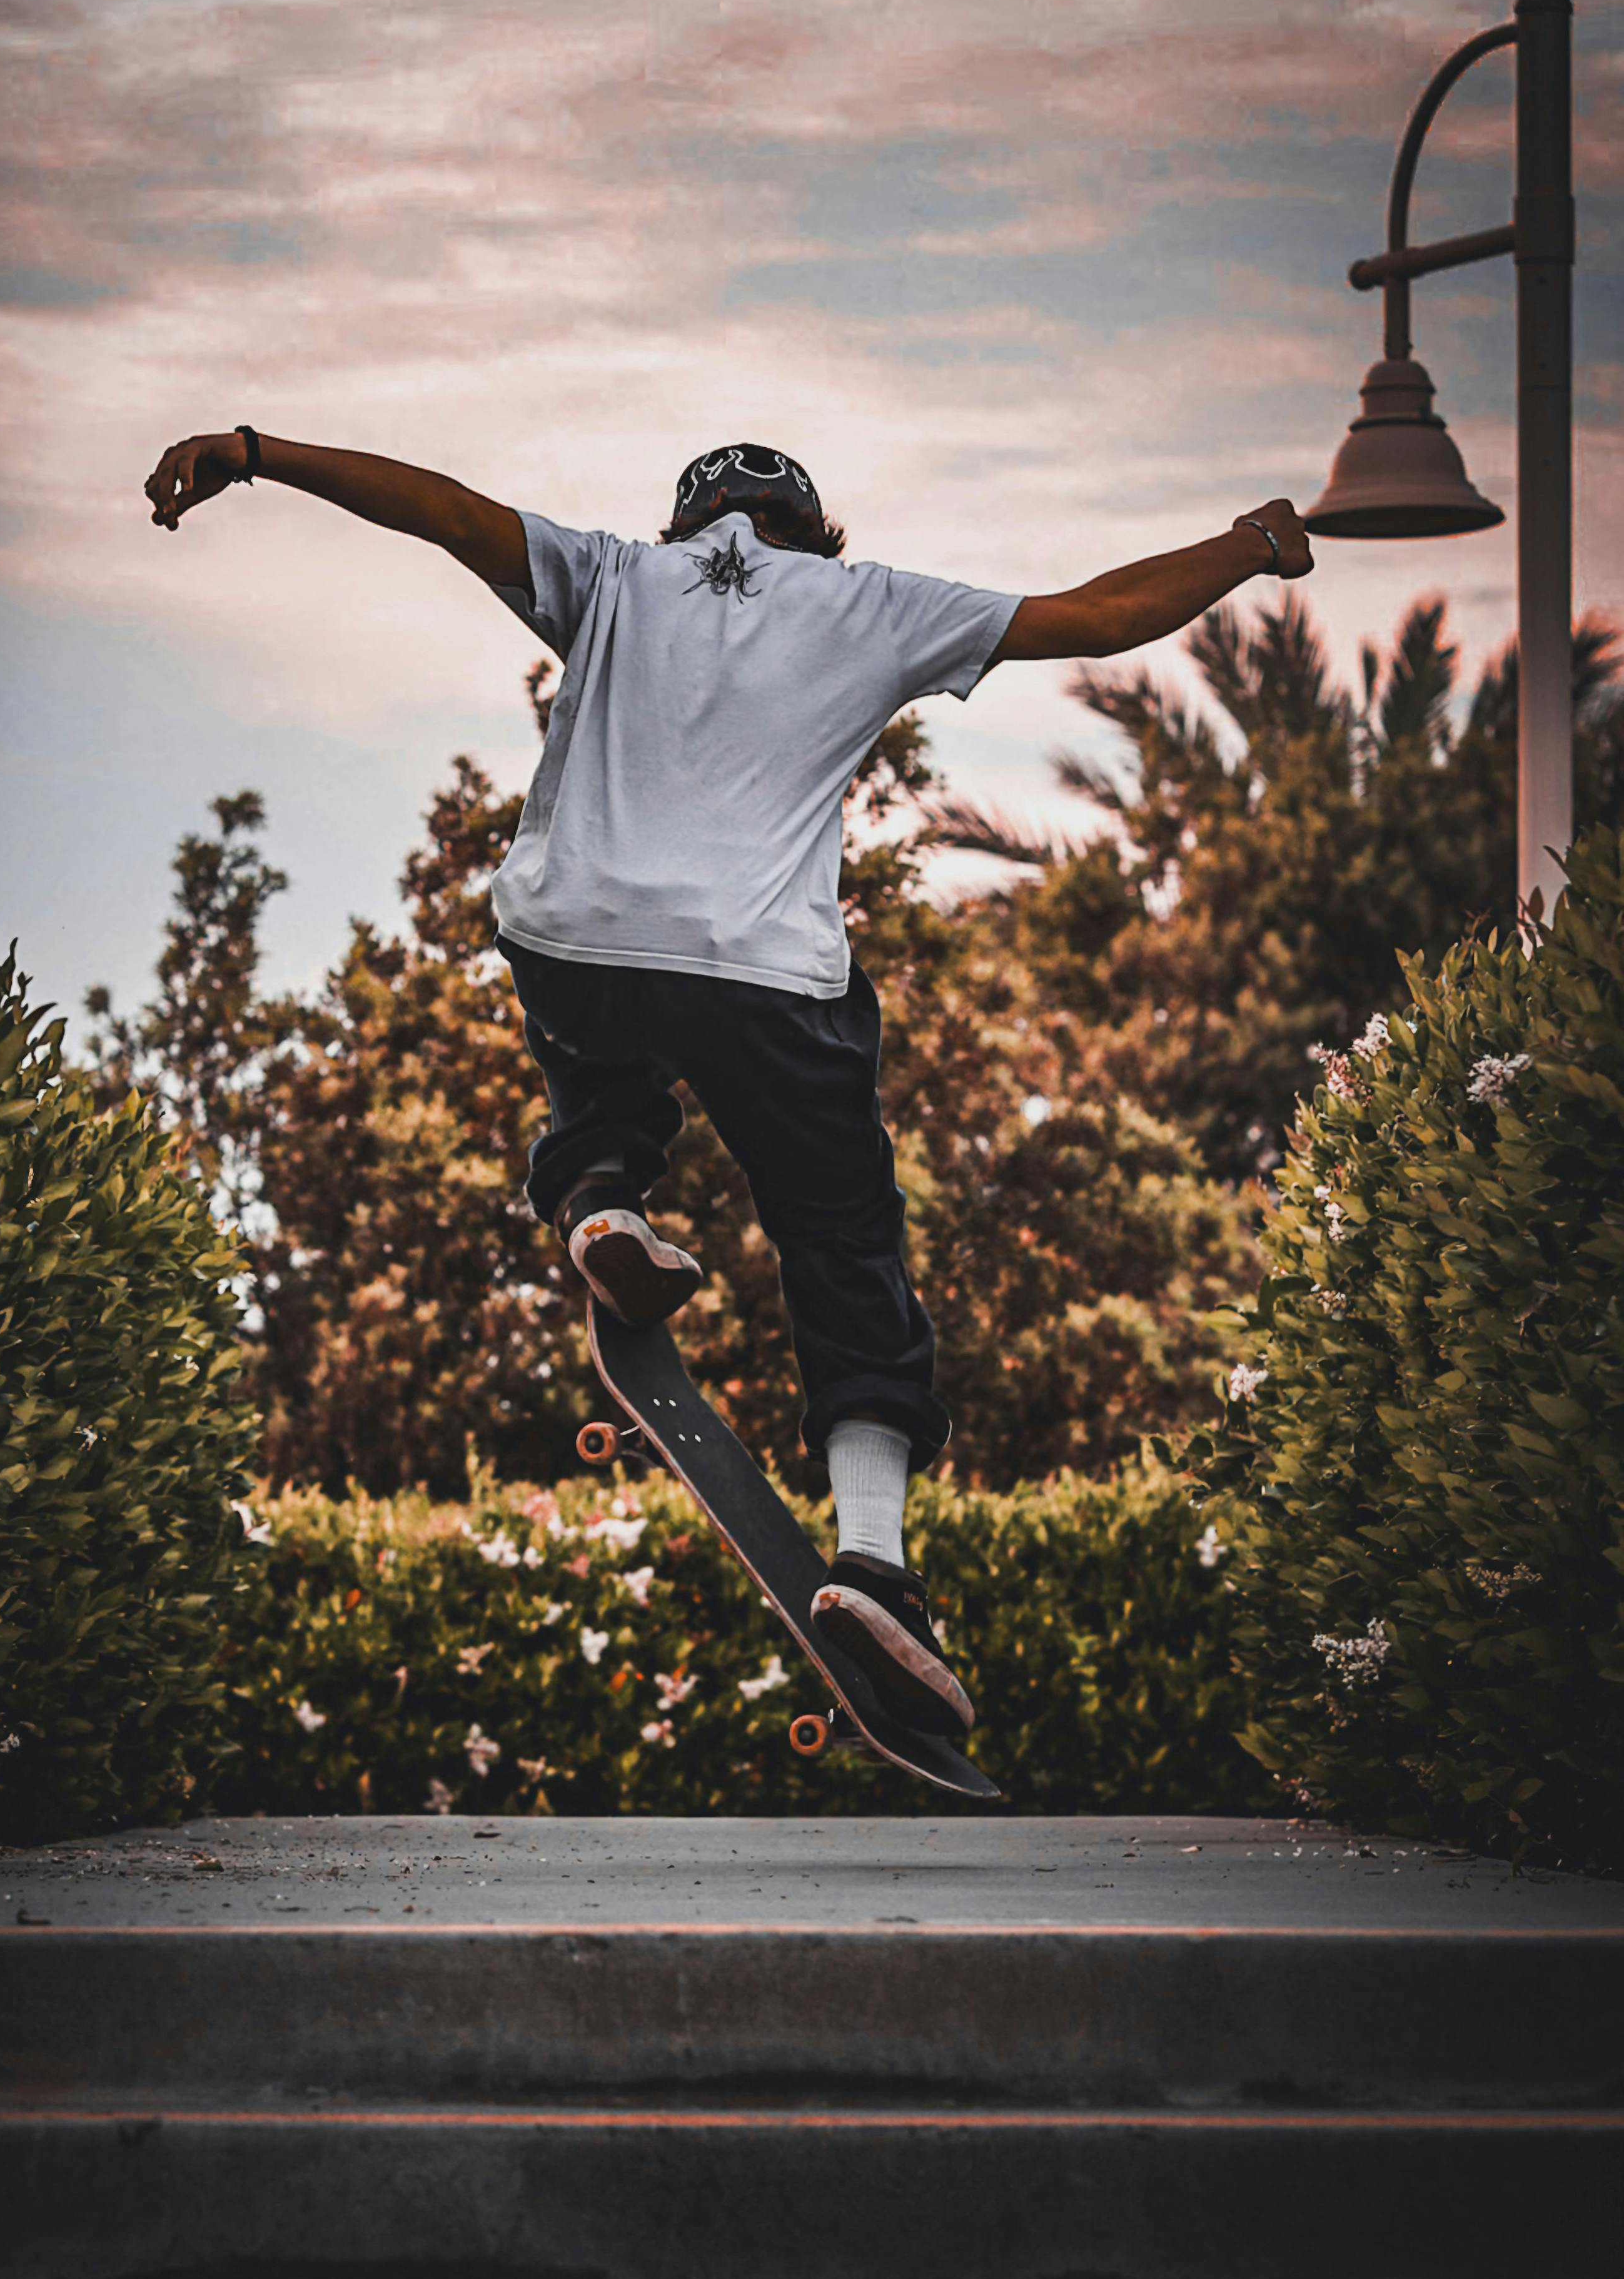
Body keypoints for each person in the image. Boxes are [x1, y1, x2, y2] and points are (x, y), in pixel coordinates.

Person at [144, 425, 1312, 1737]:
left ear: (687, 524)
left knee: (591, 1012)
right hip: (765, 975)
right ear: (813, 533)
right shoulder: (872, 602)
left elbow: (446, 510)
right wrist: (1245, 545)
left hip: (574, 941)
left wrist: (255, 451)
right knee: (842, 1234)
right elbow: (1096, 618)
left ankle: (600, 1186)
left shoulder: (611, 577)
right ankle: (874, 1558)